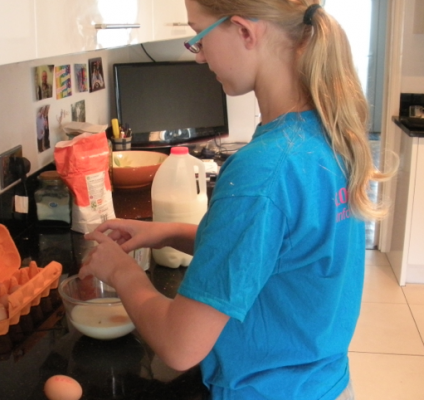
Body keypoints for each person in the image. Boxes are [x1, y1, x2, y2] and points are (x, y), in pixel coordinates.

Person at [79, 1, 393, 399]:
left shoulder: (263, 169)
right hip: (324, 384)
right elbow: (278, 252)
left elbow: (180, 345)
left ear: (245, 31)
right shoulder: (327, 133)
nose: (199, 56)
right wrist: (167, 233)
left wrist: (123, 273)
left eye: (199, 37)